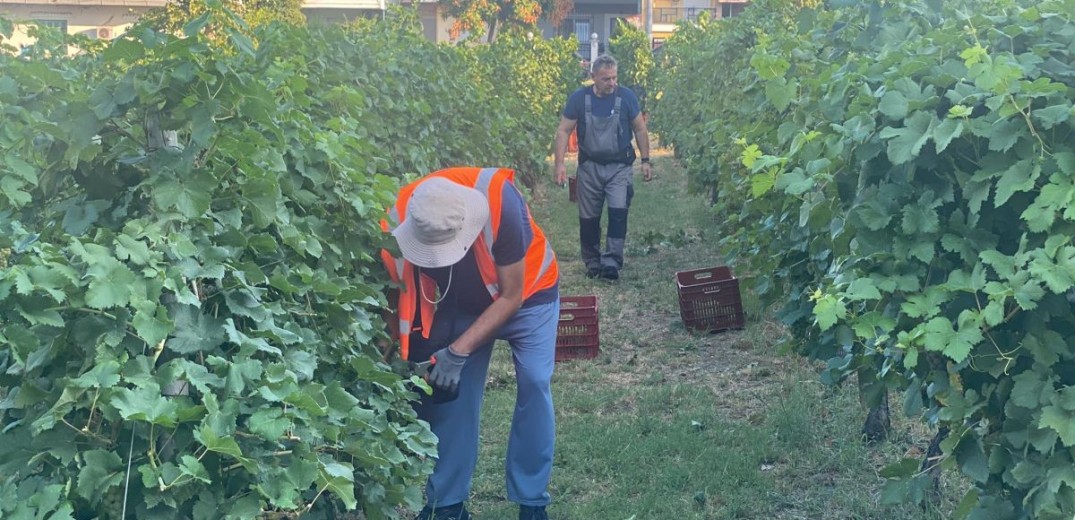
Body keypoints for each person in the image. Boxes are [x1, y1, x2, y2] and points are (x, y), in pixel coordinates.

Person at [379, 167, 561, 520]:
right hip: (464, 301)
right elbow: (396, 296)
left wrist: (459, 350)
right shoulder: (398, 218)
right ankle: (447, 504)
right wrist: (396, 360)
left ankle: (532, 499)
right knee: (451, 388)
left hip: (529, 293)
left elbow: (511, 297)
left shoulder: (501, 203)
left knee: (536, 381)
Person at [554, 53, 653, 281]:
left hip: (619, 167)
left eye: (614, 78)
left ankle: (611, 262)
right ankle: (592, 262)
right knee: (588, 217)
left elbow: (639, 129)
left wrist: (645, 161)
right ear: (593, 77)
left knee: (618, 212)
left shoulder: (626, 97)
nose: (612, 83)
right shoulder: (579, 99)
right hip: (589, 167)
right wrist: (559, 164)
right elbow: (563, 131)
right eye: (606, 79)